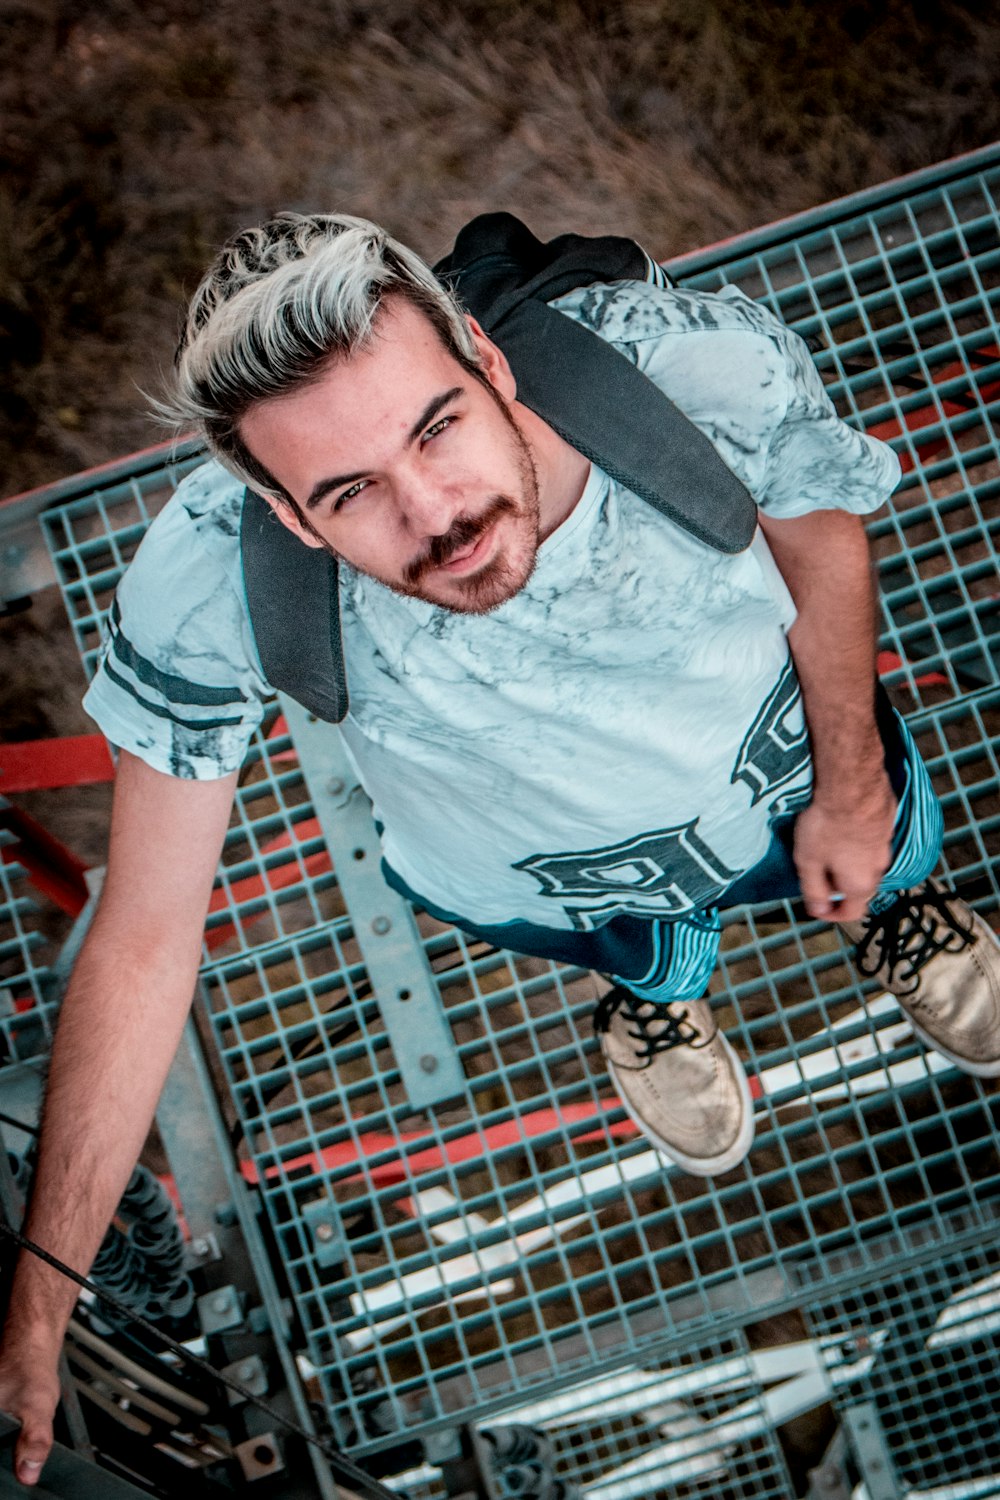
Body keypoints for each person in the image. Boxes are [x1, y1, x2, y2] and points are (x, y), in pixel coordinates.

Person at [2, 212, 999, 1486]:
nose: (437, 514)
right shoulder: (209, 579)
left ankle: (888, 916)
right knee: (646, 948)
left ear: (486, 356)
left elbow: (815, 531)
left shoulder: (677, 366)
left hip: (780, 771)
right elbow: (146, 931)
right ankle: (655, 1001)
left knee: (889, 849)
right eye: (349, 491)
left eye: (434, 426)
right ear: (284, 515)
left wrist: (853, 783)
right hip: (550, 874)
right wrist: (38, 1299)